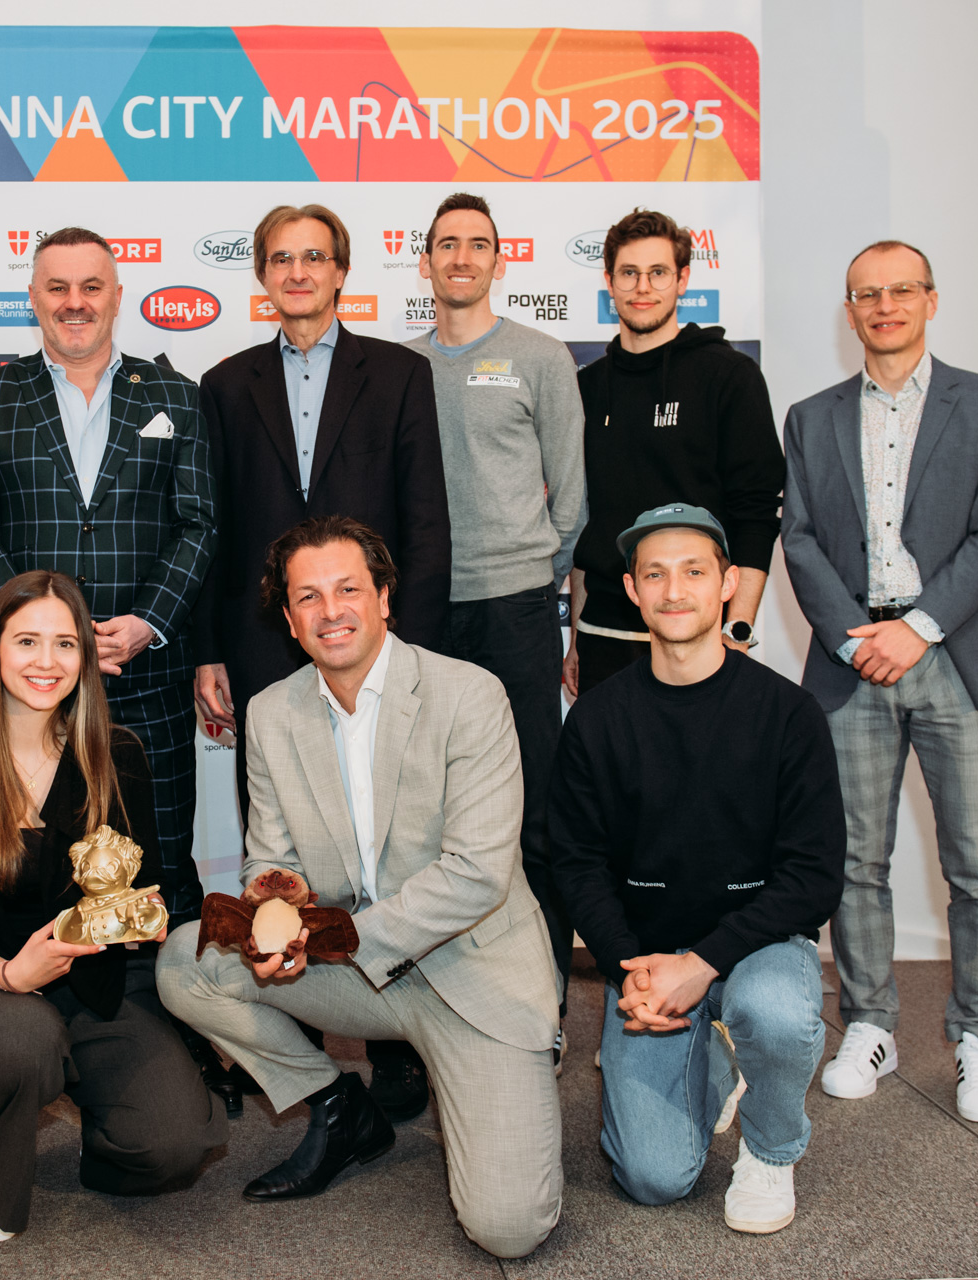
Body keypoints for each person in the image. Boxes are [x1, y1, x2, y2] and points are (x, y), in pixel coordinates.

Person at [158, 516, 561, 1261]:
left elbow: (476, 875)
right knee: (189, 959)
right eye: (307, 596)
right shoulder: (272, 713)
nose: (330, 610)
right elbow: (269, 862)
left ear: (385, 599)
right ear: (288, 618)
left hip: (472, 972)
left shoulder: (469, 696)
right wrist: (274, 910)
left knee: (508, 1230)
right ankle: (339, 1106)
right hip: (351, 971)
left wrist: (328, 935)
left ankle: (491, 1069)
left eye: (348, 589)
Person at [194, 203, 452, 1119]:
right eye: (280, 259)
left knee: (390, 829)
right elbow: (213, 531)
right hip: (263, 639)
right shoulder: (224, 384)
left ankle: (404, 1046)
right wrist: (210, 651)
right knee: (281, 838)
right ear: (262, 275)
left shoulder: (400, 373)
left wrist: (408, 638)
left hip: (371, 636)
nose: (298, 272)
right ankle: (287, 1028)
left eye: (315, 257)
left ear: (342, 270)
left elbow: (425, 517)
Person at [781, 241, 978, 1123]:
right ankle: (870, 1023)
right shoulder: (810, 418)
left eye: (900, 291)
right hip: (852, 664)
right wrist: (859, 641)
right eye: (865, 294)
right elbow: (799, 542)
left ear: (930, 300)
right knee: (852, 863)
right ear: (848, 312)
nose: (883, 306)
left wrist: (915, 630)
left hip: (955, 655)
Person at [548, 504, 845, 1234]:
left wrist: (704, 964)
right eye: (656, 574)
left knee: (774, 1012)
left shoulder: (788, 713)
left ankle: (773, 1151)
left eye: (693, 572)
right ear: (631, 590)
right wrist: (629, 968)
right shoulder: (596, 719)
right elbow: (575, 860)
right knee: (654, 1179)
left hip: (757, 948)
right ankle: (712, 1064)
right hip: (648, 962)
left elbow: (813, 877)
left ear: (727, 586)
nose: (674, 590)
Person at [0, 570, 226, 1242]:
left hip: (97, 990)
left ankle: (89, 1119)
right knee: (22, 1042)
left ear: (86, 657)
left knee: (178, 1144)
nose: (46, 662)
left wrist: (145, 918)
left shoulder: (119, 759)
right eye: (27, 641)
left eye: (65, 644)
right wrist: (9, 975)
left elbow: (143, 889)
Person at [0, 226, 216, 928]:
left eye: (91, 287)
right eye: (58, 288)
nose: (75, 302)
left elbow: (199, 524)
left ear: (117, 297)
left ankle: (172, 1016)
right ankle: (36, 1007)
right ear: (33, 298)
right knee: (33, 858)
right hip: (30, 683)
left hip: (145, 674)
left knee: (162, 854)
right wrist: (40, 633)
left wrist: (148, 624)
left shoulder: (176, 395)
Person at [404, 191, 585, 1047]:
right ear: (426, 260)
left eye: (478, 244)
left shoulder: (541, 357)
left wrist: (531, 569)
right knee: (427, 814)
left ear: (498, 260)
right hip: (423, 612)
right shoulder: (401, 368)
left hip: (515, 607)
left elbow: (573, 496)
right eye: (448, 244)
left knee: (535, 813)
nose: (462, 257)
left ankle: (541, 1002)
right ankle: (437, 1002)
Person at [566, 208, 783, 699]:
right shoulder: (585, 387)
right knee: (608, 776)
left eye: (658, 273)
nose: (643, 287)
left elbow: (755, 512)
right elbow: (585, 518)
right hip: (603, 636)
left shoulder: (730, 377)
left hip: (699, 637)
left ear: (683, 279)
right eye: (629, 273)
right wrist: (577, 634)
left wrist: (739, 629)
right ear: (609, 281)